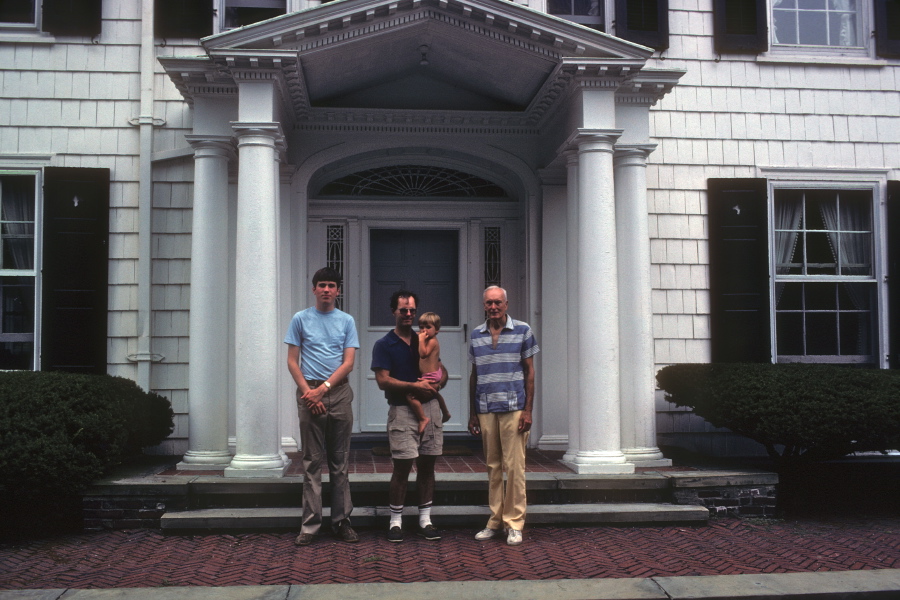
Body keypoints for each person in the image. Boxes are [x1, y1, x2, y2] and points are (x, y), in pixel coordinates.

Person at [284, 267, 360, 546]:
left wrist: (323, 390)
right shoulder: (300, 319)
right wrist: (309, 394)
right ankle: (310, 525)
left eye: (331, 285)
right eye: (322, 285)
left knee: (339, 462)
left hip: (338, 393)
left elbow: (348, 362)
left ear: (338, 290)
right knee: (311, 462)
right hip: (308, 393)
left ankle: (342, 522)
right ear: (313, 289)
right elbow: (293, 361)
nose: (326, 290)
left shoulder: (346, 321)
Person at [371, 290, 448, 543]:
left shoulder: (423, 338)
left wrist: (438, 383)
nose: (408, 314)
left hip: (430, 409)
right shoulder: (384, 344)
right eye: (403, 310)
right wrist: (413, 387)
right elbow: (383, 381)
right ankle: (396, 522)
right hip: (403, 411)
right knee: (402, 467)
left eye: (412, 310)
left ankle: (425, 520)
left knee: (427, 466)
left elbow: (439, 367)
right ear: (393, 311)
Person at [467, 285, 539, 546]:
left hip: (514, 407)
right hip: (486, 407)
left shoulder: (523, 330)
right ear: (484, 305)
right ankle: (495, 520)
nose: (493, 307)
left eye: (498, 303)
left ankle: (515, 523)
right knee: (493, 466)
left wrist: (528, 410)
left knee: (515, 467)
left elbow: (529, 372)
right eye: (489, 303)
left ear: (506, 304)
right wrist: (472, 413)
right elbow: (475, 375)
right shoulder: (476, 335)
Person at [405, 311, 451, 434]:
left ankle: (422, 418)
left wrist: (420, 339)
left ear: (437, 330)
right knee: (434, 393)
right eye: (421, 327)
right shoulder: (427, 338)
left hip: (430, 376)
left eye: (428, 327)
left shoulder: (432, 341)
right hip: (431, 374)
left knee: (410, 396)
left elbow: (423, 354)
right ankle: (446, 413)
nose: (424, 330)